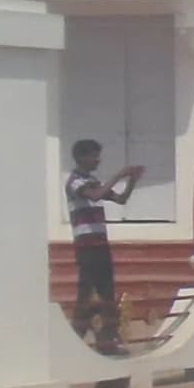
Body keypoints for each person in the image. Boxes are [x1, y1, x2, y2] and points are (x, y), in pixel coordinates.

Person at [65, 138, 141, 350]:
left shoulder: (92, 181)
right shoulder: (75, 182)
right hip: (86, 245)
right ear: (81, 157)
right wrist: (119, 174)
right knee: (86, 291)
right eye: (94, 156)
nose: (97, 160)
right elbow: (96, 196)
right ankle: (76, 338)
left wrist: (132, 180)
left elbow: (121, 199)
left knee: (107, 291)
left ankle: (108, 338)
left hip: (99, 243)